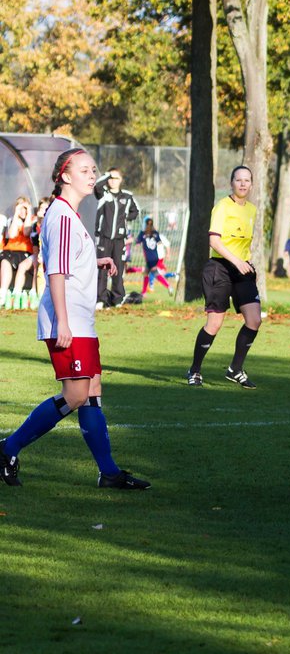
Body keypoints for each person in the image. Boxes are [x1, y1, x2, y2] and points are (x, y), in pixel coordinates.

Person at [0, 149, 150, 490]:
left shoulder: (68, 214)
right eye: (84, 169)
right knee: (77, 394)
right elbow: (54, 271)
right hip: (68, 321)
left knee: (92, 390)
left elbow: (67, 260)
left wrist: (95, 263)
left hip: (81, 319)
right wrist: (63, 324)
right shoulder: (62, 216)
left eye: (93, 168)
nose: (91, 174)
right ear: (65, 176)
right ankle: (7, 449)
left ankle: (109, 473)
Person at [186, 166, 262, 389]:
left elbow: (244, 243)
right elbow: (215, 242)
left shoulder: (252, 210)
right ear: (231, 183)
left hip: (243, 270)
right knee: (215, 323)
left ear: (251, 184)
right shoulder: (222, 207)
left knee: (254, 320)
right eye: (239, 180)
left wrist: (245, 261)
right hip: (220, 268)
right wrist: (236, 261)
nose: (243, 184)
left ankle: (235, 369)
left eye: (247, 180)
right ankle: (194, 370)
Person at [94, 167, 140, 308]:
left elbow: (135, 211)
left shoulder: (127, 196)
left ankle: (117, 299)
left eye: (116, 178)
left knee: (118, 269)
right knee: (102, 270)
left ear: (121, 180)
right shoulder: (103, 195)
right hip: (104, 238)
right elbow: (97, 186)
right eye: (111, 178)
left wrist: (126, 217)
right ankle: (100, 299)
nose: (113, 181)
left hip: (119, 240)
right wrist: (107, 175)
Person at [1, 197, 37, 309]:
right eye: (20, 208)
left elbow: (26, 232)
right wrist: (16, 214)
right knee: (5, 262)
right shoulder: (12, 220)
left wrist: (28, 212)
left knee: (22, 265)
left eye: (24, 208)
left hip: (25, 251)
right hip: (10, 251)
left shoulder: (33, 221)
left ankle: (17, 294)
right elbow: (11, 235)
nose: (22, 211)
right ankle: (3, 292)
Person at [135, 217, 172, 296]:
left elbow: (137, 243)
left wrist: (137, 243)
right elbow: (159, 243)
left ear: (145, 224)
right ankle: (144, 292)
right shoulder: (155, 233)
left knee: (155, 274)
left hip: (149, 258)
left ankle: (168, 286)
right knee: (146, 273)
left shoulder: (143, 233)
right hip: (155, 257)